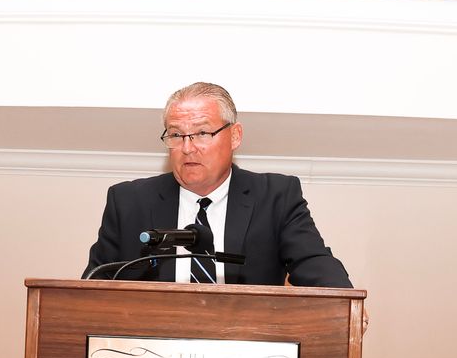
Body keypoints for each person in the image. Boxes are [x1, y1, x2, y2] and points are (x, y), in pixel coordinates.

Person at [83, 82, 352, 288]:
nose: (187, 148)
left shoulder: (276, 197)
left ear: (235, 136)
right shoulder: (129, 201)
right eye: (176, 135)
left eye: (201, 133)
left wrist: (346, 305)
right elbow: (95, 283)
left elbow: (314, 263)